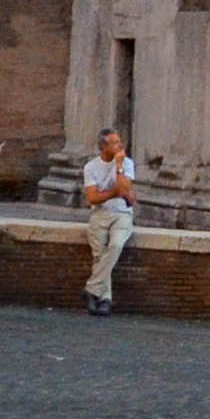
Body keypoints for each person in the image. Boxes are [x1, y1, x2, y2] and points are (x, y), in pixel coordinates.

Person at [79, 128, 139, 317]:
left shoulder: (127, 163)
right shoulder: (90, 167)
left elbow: (125, 187)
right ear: (103, 147)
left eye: (119, 141)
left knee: (115, 245)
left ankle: (92, 288)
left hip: (122, 214)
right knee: (99, 254)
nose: (119, 146)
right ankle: (104, 299)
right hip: (100, 214)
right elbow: (93, 198)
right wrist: (117, 193)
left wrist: (119, 166)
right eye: (114, 143)